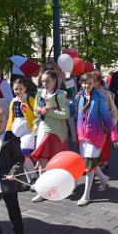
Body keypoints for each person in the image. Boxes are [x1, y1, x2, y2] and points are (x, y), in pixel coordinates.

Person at [70, 73, 118, 206]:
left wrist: (114, 137)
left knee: (89, 167)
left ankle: (86, 195)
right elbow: (72, 112)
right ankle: (103, 179)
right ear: (81, 83)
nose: (87, 86)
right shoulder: (79, 97)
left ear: (95, 84)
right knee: (89, 163)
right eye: (85, 83)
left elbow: (108, 119)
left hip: (96, 137)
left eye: (90, 83)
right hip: (82, 137)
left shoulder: (99, 98)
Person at [31, 70, 71, 203]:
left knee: (59, 162)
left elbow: (66, 114)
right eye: (43, 81)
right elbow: (36, 113)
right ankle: (42, 191)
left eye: (47, 81)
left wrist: (48, 112)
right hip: (42, 130)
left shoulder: (60, 95)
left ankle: (65, 185)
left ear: (55, 81)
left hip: (55, 132)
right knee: (42, 161)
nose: (45, 84)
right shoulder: (39, 94)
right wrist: (38, 112)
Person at [6, 78, 38, 188]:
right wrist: (8, 131)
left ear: (25, 88)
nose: (18, 91)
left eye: (20, 88)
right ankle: (31, 180)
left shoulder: (30, 100)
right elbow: (11, 118)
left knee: (24, 154)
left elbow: (37, 114)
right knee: (20, 156)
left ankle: (34, 177)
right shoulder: (13, 102)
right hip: (16, 131)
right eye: (16, 89)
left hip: (28, 131)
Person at [91, 70, 118, 171]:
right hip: (91, 127)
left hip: (103, 126)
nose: (92, 83)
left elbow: (113, 110)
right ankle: (101, 164)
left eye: (94, 81)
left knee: (103, 147)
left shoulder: (106, 93)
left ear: (98, 81)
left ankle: (102, 163)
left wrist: (111, 124)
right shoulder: (85, 93)